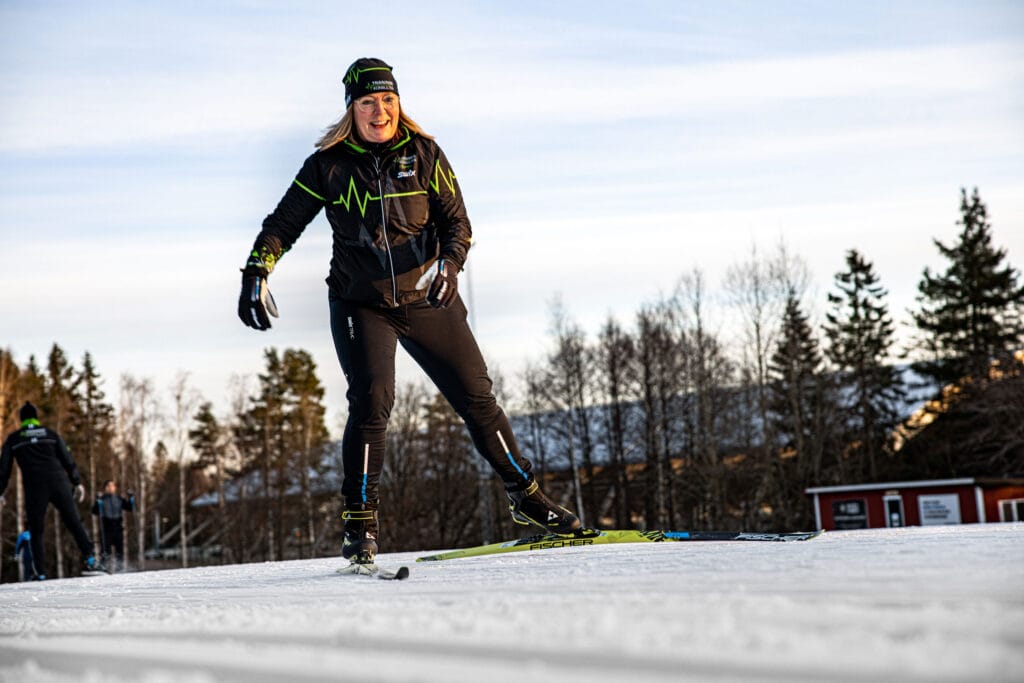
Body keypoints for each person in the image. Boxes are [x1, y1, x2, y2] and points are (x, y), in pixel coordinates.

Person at [238, 57, 581, 565]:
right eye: (368, 102)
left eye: (388, 100)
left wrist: (450, 263)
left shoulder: (424, 154)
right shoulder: (327, 166)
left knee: (477, 399)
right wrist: (256, 269)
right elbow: (283, 223)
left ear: (400, 104)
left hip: (427, 296)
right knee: (373, 400)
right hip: (361, 303)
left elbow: (457, 225)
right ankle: (359, 523)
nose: (380, 111)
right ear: (351, 109)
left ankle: (528, 499)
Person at [0, 402, 107, 579]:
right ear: (36, 417)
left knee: (36, 530)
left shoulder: (15, 439)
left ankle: (40, 572)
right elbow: (67, 458)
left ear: (22, 419)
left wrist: (1, 491)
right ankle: (90, 559)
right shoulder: (50, 434)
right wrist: (77, 482)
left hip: (35, 487)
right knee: (74, 521)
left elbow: (3, 468)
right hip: (59, 482)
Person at [92, 479, 135, 571]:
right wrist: (97, 501)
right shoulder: (102, 500)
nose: (111, 488)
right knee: (105, 550)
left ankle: (120, 567)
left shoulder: (119, 499)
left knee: (120, 550)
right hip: (106, 528)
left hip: (117, 527)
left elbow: (130, 508)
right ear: (105, 488)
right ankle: (104, 567)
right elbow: (95, 511)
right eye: (108, 486)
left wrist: (131, 497)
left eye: (112, 486)